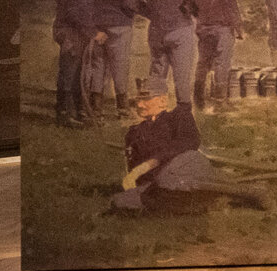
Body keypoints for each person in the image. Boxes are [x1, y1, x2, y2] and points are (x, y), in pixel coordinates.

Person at [110, 90, 266, 213]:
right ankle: (206, 204)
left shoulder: (178, 116)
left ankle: (249, 192)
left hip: (186, 165)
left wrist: (146, 165)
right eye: (137, 101)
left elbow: (188, 143)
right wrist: (133, 183)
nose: (140, 105)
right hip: (160, 184)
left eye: (146, 99)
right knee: (120, 201)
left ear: (163, 100)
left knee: (167, 179)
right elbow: (136, 174)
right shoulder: (134, 132)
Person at [133, 0, 214, 110]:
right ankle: (183, 115)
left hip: (157, 29)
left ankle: (155, 113)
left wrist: (147, 11)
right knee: (182, 77)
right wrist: (193, 9)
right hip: (181, 29)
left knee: (157, 75)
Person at [85, 0, 139, 120]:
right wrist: (131, 14)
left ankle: (96, 109)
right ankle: (122, 108)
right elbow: (129, 1)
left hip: (96, 25)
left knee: (98, 65)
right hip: (119, 24)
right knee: (120, 65)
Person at [49, 0, 98, 128]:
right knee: (69, 72)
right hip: (70, 28)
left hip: (75, 27)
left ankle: (76, 112)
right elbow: (74, 6)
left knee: (76, 72)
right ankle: (64, 114)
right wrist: (90, 30)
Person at [194, 0, 242, 111]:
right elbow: (231, 3)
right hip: (222, 26)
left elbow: (190, 3)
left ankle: (198, 101)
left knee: (203, 62)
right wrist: (238, 26)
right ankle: (220, 101)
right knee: (222, 62)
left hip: (203, 26)